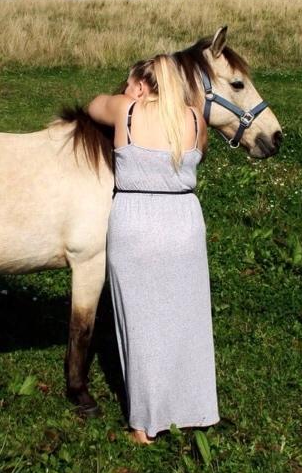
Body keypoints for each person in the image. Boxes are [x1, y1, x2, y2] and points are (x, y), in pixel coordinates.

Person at [88, 55, 219, 444]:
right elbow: (199, 154)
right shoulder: (195, 117)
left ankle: (144, 425)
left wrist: (125, 97)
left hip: (137, 221)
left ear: (142, 86)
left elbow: (94, 105)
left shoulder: (127, 110)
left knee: (140, 324)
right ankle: (194, 409)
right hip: (183, 220)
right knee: (187, 319)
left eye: (130, 84)